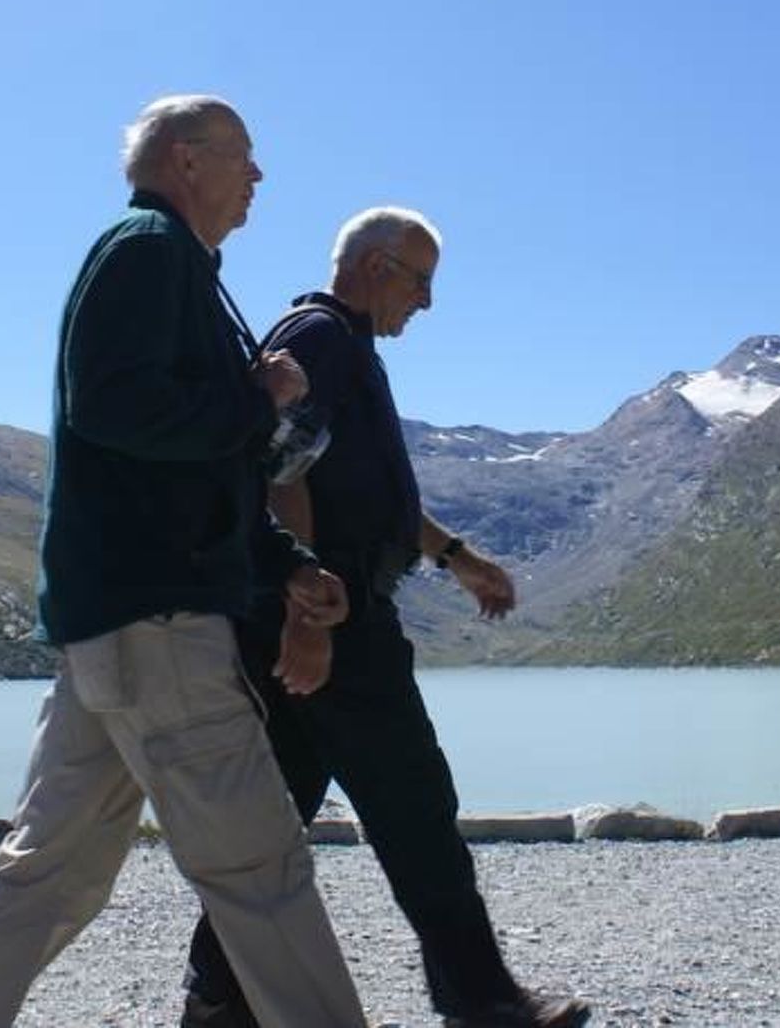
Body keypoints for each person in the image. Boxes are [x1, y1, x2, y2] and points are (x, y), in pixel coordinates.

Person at [0, 95, 371, 1028]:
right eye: (243, 155)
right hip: (160, 623)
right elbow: (116, 407)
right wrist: (260, 399)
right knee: (261, 869)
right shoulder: (148, 250)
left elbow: (184, 468)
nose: (258, 176)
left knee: (51, 874)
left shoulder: (172, 263)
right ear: (185, 159)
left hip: (114, 622)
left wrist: (284, 561)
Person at [182, 208, 591, 1028]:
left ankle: (219, 998)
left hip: (316, 614)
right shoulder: (324, 339)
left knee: (276, 819)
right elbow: (279, 468)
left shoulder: (338, 344)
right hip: (336, 622)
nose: (426, 302)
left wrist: (456, 555)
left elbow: (362, 491)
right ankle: (483, 1001)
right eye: (421, 281)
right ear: (376, 267)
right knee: (416, 806)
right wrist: (308, 615)